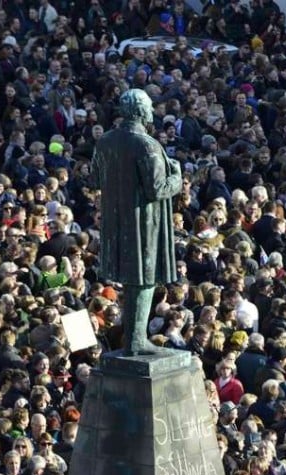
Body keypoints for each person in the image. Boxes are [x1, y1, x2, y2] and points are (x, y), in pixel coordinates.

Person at [89, 88, 183, 355]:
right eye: (150, 107)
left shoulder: (105, 141)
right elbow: (157, 189)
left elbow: (94, 179)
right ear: (141, 111)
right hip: (144, 224)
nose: (152, 111)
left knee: (132, 282)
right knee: (143, 280)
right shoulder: (147, 145)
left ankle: (133, 338)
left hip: (115, 223)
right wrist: (176, 177)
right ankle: (136, 340)